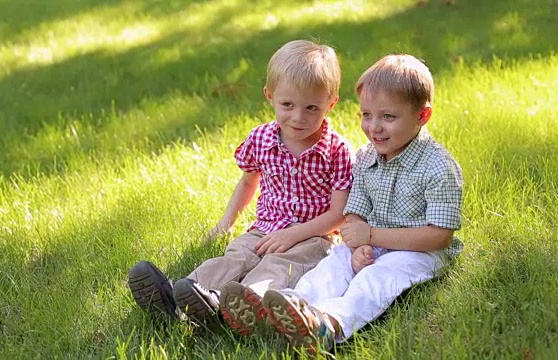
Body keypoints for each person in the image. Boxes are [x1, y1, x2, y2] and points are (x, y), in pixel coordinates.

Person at [229, 54, 464, 355]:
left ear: (422, 115)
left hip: (417, 251)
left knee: (375, 280)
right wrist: (358, 242)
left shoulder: (438, 167)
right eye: (366, 115)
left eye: (388, 117)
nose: (374, 127)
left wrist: (371, 237)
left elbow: (438, 237)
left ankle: (328, 324)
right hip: (369, 243)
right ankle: (286, 310)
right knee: (330, 269)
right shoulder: (367, 157)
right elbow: (354, 212)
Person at [128, 39, 354, 332]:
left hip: (313, 238)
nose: (298, 117)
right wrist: (225, 223)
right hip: (264, 228)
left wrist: (295, 233)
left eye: (312, 107)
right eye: (287, 105)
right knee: (236, 257)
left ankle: (240, 308)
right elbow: (249, 181)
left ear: (331, 103)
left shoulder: (337, 151)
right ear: (269, 96)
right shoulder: (261, 138)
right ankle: (179, 295)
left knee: (275, 267)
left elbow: (340, 213)